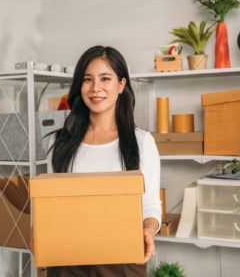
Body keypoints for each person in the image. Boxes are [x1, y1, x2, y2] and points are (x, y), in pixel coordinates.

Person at [46, 45, 161, 277]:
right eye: (88, 79)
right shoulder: (60, 142)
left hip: (122, 261)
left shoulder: (141, 142)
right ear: (80, 86)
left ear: (121, 85)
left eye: (105, 78)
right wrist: (37, 233)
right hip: (68, 260)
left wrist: (148, 229)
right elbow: (49, 204)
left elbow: (150, 205)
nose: (95, 88)